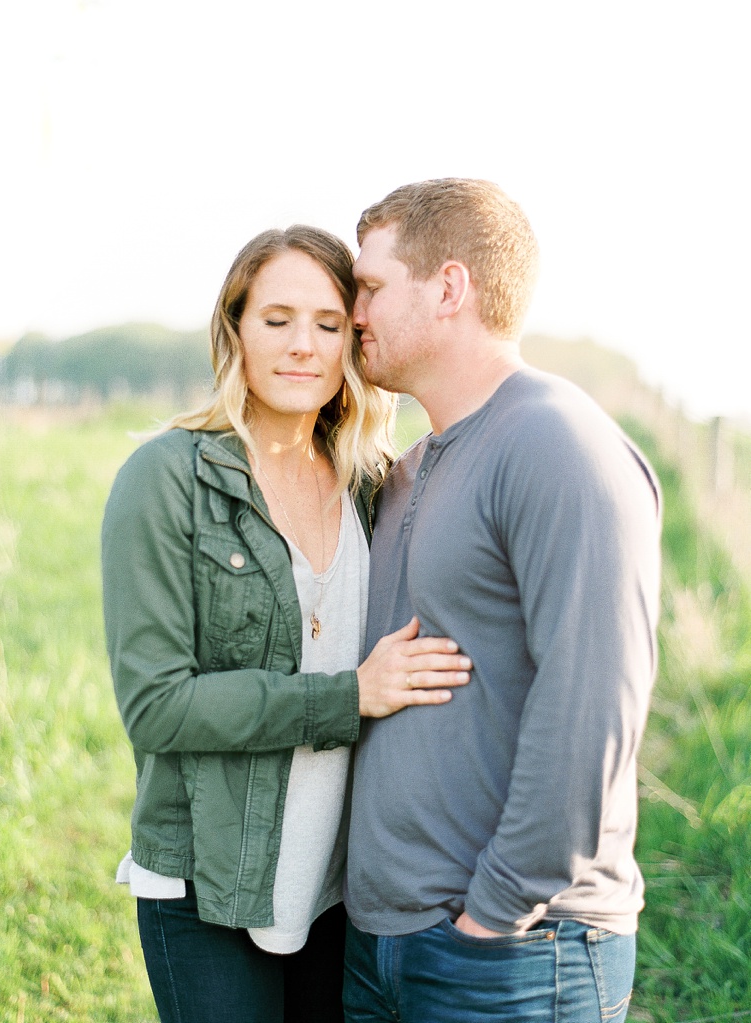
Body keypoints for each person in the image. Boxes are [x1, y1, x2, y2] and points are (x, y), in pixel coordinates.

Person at [101, 225, 472, 1023]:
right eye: (276, 319)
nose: (303, 345)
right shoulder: (165, 479)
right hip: (209, 881)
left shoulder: (373, 484)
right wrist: (346, 697)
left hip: (339, 884)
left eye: (329, 323)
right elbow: (157, 704)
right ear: (234, 327)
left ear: (352, 341)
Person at [343, 179, 662, 1023]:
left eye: (370, 286)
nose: (353, 311)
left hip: (514, 950)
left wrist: (492, 916)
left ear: (449, 287)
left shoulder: (558, 443)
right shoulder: (410, 467)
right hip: (387, 944)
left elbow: (592, 702)